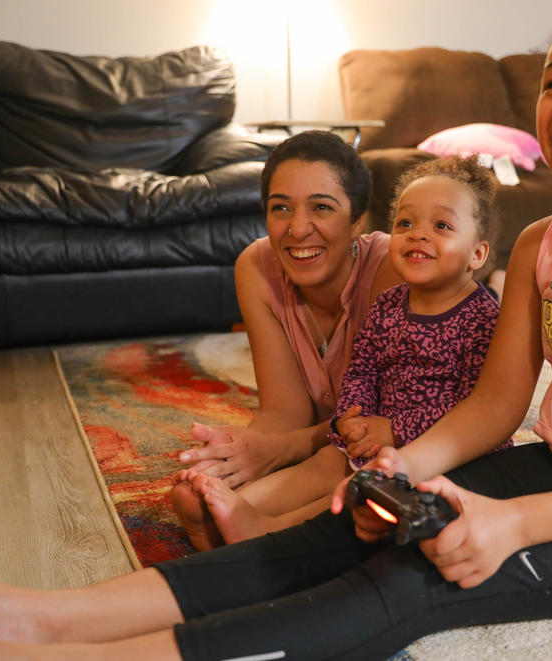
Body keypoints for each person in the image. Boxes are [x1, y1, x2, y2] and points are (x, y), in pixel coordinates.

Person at [0, 6, 552, 660]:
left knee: (418, 577)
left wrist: (511, 522)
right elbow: (495, 405)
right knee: (347, 524)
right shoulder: (540, 240)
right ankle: (45, 616)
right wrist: (400, 467)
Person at [177, 155, 508, 547]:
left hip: (441, 454)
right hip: (371, 437)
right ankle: (228, 510)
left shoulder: (483, 316)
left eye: (441, 226)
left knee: (362, 486)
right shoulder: (389, 304)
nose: (419, 235)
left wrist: (396, 430)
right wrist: (354, 414)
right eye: (406, 223)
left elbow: (477, 405)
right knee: (325, 464)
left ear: (478, 255)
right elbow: (363, 368)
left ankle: (270, 532)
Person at [169, 130, 403, 549]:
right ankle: (232, 521)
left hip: (383, 436)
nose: (297, 229)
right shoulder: (257, 267)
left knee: (360, 462)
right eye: (281, 208)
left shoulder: (392, 272)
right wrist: (247, 451)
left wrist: (277, 451)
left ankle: (247, 527)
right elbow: (285, 409)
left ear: (358, 219)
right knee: (214, 484)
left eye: (321, 207)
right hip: (330, 440)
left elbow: (387, 422)